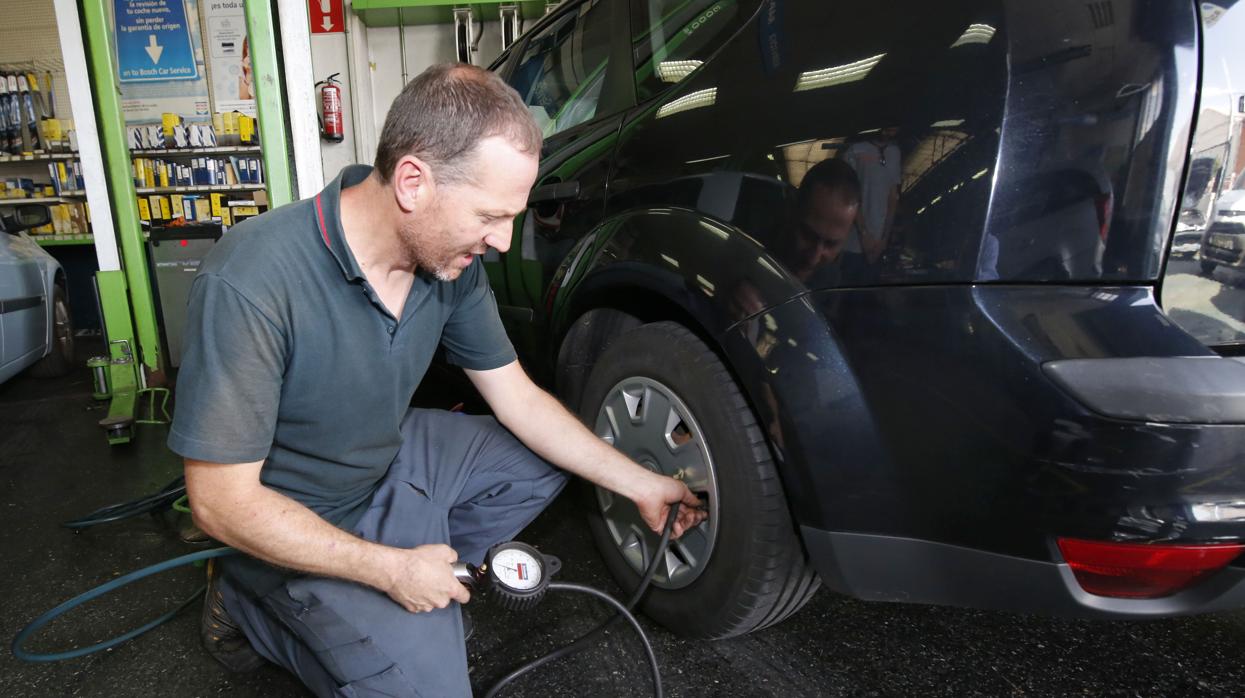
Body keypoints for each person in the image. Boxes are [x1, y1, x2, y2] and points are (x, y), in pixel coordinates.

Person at [169, 63, 704, 697]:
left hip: (384, 460)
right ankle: (249, 606)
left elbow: (518, 398)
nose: (502, 241)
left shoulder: (450, 266)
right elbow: (220, 504)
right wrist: (389, 571)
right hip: (295, 517)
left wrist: (641, 482)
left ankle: (430, 583)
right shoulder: (252, 279)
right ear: (413, 183)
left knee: (543, 461)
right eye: (489, 215)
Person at [841, 126, 901, 265]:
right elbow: (850, 194)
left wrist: (884, 239)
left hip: (879, 246)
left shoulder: (894, 152)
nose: (890, 132)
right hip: (853, 245)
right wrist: (864, 235)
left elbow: (893, 197)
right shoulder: (855, 150)